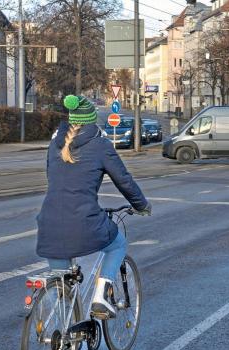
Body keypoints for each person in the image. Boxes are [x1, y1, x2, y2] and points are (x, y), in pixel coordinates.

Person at [36, 95, 150, 319]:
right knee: (117, 244)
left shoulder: (54, 144)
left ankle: (63, 342)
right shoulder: (100, 145)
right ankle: (100, 297)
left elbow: (54, 179)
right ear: (92, 121)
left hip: (48, 223)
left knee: (64, 285)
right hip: (83, 221)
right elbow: (124, 180)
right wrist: (141, 204)